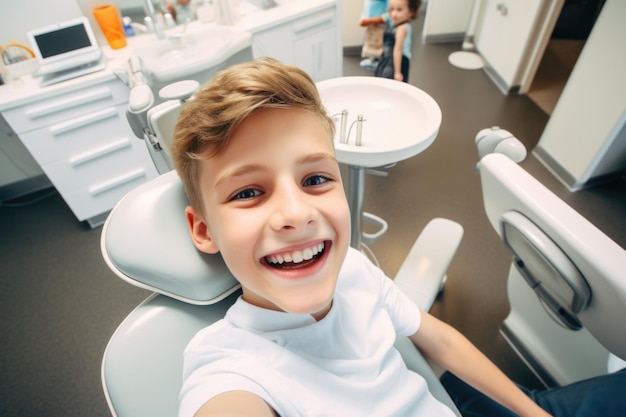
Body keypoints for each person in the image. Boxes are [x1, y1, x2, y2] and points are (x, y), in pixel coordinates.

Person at [171, 57, 625, 417]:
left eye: (315, 180)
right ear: (204, 230)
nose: (296, 213)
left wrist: (533, 413)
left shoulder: (352, 267)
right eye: (249, 192)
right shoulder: (228, 368)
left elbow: (442, 342)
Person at [360, 0, 419, 82]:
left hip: (397, 61)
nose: (394, 14)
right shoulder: (398, 24)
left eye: (399, 10)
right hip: (389, 59)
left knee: (391, 83)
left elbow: (398, 50)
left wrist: (397, 72)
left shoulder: (402, 29)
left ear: (411, 11)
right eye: (392, 9)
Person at [359, 0, 388, 71]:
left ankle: (378, 60)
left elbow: (388, 14)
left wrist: (372, 21)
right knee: (370, 41)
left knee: (378, 44)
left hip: (379, 24)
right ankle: (373, 59)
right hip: (370, 23)